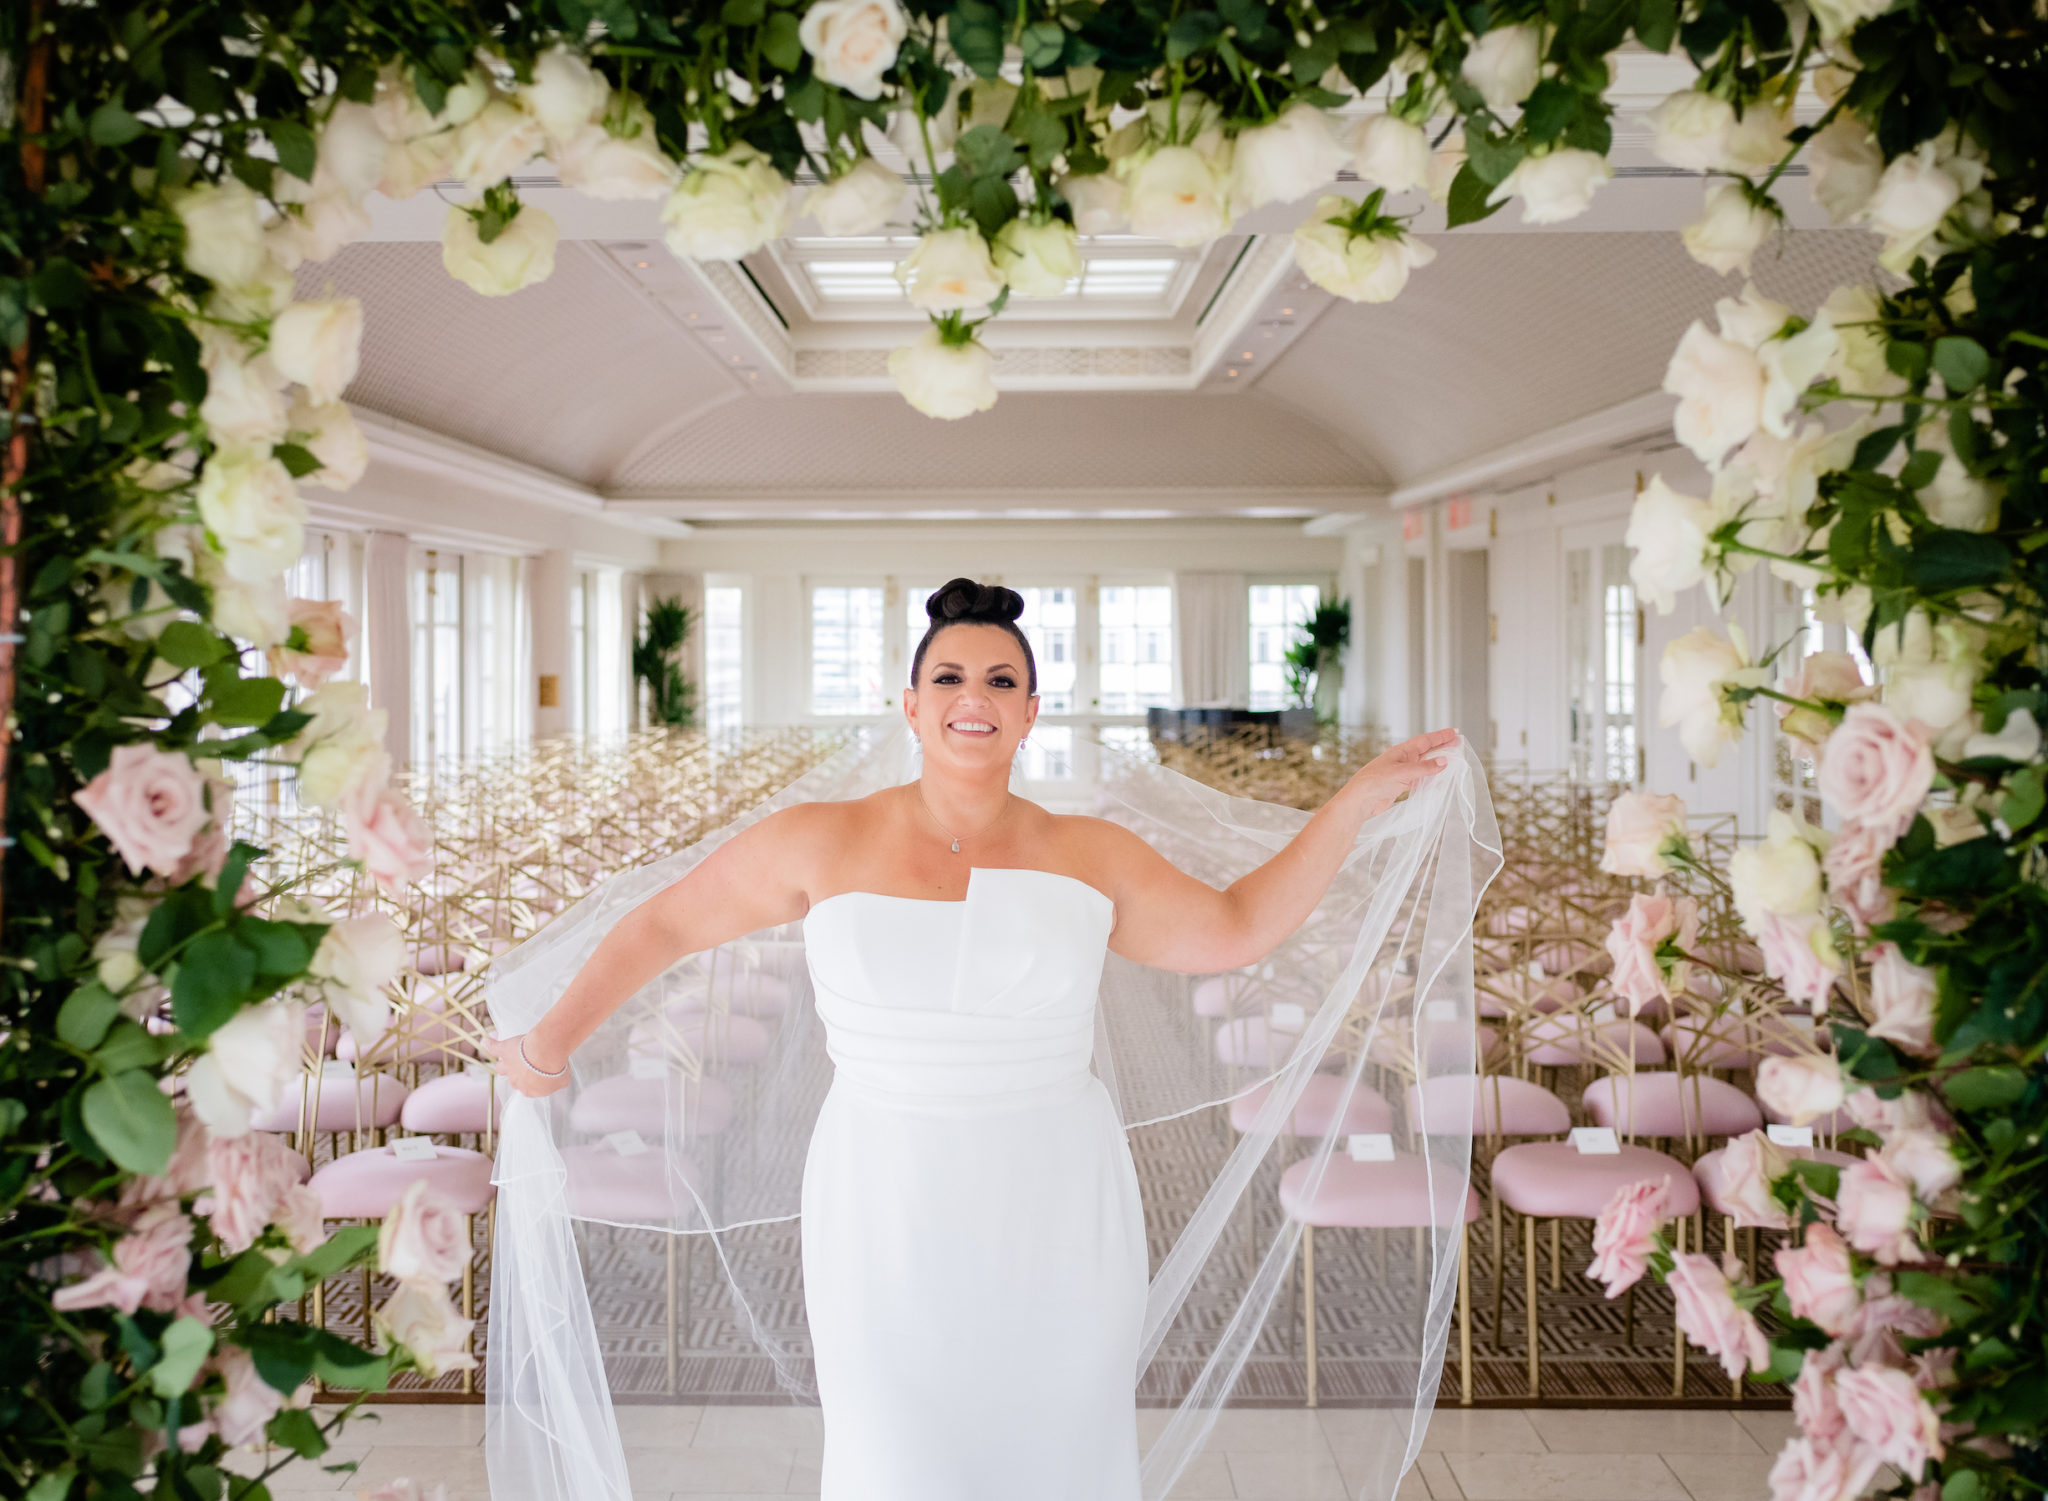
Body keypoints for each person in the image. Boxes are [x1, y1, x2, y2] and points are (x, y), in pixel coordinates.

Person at [487, 578, 1468, 1501]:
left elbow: (1236, 927)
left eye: (1001, 680)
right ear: (909, 705)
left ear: (1031, 711)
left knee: (1058, 1448)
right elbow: (662, 924)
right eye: (949, 677)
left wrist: (1345, 806)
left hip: (1057, 1199)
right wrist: (549, 1042)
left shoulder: (1088, 851)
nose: (974, 697)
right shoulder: (819, 838)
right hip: (882, 1194)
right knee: (894, 1452)